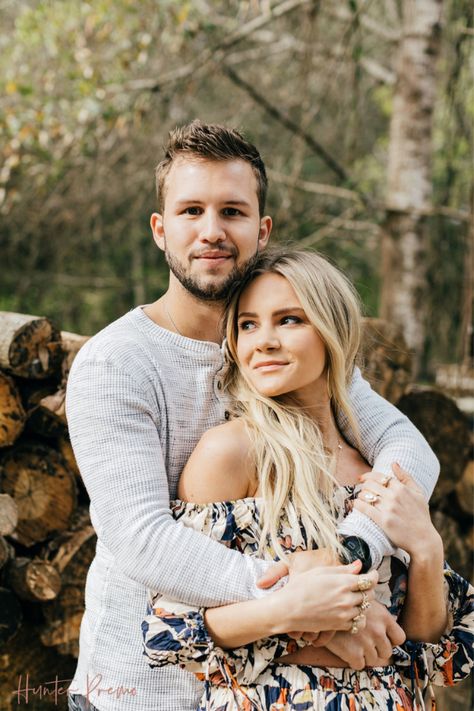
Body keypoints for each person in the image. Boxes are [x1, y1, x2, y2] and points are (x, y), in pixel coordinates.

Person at [66, 121, 440, 711]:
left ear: (261, 230)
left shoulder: (289, 352)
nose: (211, 231)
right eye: (191, 210)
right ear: (161, 231)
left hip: (268, 688)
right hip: (145, 688)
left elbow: (405, 446)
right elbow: (140, 539)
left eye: (232, 212)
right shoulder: (116, 363)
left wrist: (354, 555)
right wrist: (306, 595)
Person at [142, 249, 474, 710]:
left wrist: (427, 550)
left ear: (333, 330)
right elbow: (170, 631)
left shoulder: (377, 469)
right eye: (248, 325)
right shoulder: (233, 453)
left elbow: (434, 660)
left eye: (290, 320)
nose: (264, 341)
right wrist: (299, 613)